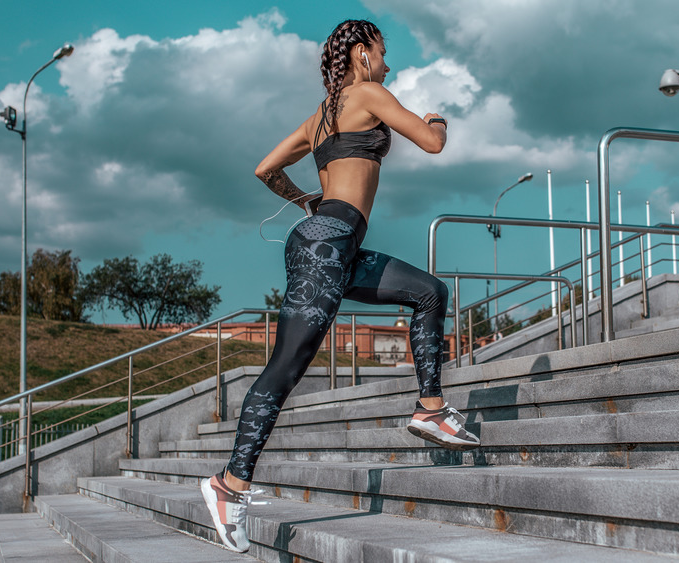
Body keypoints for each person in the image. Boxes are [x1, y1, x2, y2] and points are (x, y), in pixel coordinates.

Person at [200, 19, 480, 553]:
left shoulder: (318, 119)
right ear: (361, 54)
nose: (387, 63)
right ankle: (229, 485)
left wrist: (307, 200)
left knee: (429, 292)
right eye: (382, 51)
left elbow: (265, 169)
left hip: (335, 241)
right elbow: (433, 143)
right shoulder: (369, 93)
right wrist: (437, 118)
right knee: (287, 364)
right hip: (327, 243)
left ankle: (429, 408)